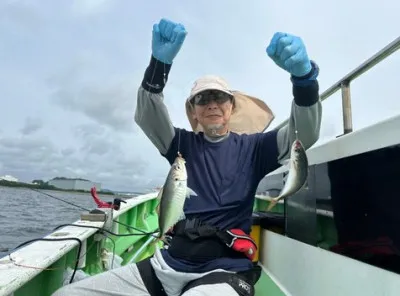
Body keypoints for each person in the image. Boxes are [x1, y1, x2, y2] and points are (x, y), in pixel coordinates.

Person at [53, 17, 322, 296]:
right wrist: (159, 65)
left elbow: (304, 135)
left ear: (231, 107)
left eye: (219, 97)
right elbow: (148, 116)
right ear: (194, 111)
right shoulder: (181, 143)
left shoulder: (257, 148)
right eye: (202, 100)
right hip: (165, 265)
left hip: (224, 271)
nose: (212, 104)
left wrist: (303, 80)